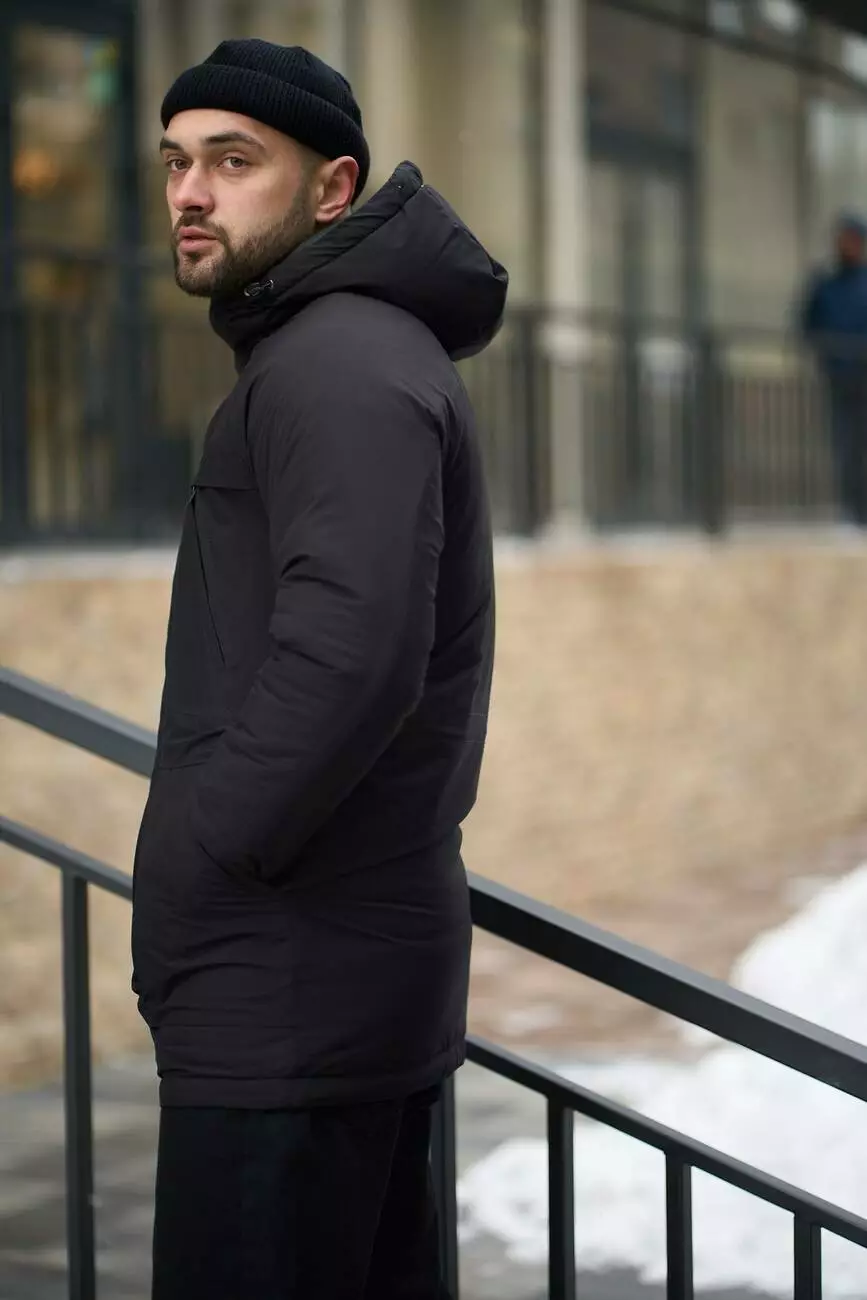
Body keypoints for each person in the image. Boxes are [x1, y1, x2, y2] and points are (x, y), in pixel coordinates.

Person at [131, 39, 507, 1300]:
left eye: (235, 162)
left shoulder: (338, 364)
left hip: (291, 983)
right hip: (319, 982)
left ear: (334, 188)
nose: (191, 193)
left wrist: (207, 850)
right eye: (177, 162)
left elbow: (351, 656)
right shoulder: (334, 351)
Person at [801, 214, 867, 526]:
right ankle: (853, 510)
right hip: (840, 380)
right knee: (847, 448)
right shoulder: (825, 285)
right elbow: (809, 326)